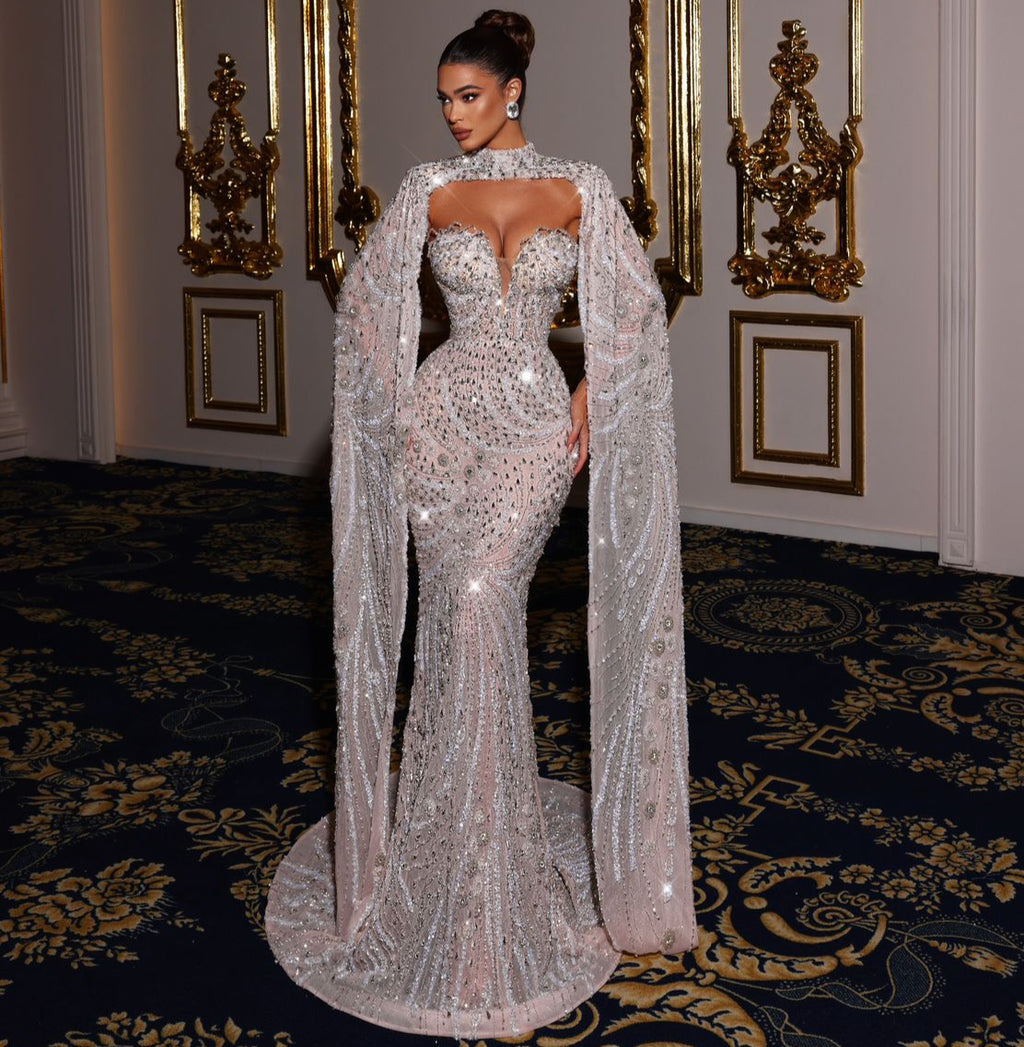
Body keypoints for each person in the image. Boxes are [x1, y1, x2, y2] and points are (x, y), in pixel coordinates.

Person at [265, 9, 696, 1039]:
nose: (454, 115)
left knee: (480, 601)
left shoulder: (582, 187)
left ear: (511, 92)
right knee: (459, 618)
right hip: (443, 427)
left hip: (536, 430)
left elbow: (635, 307)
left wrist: (594, 388)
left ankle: (498, 876)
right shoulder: (425, 190)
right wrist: (392, 407)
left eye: (469, 96)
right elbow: (366, 310)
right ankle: (446, 850)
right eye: (445, 99)